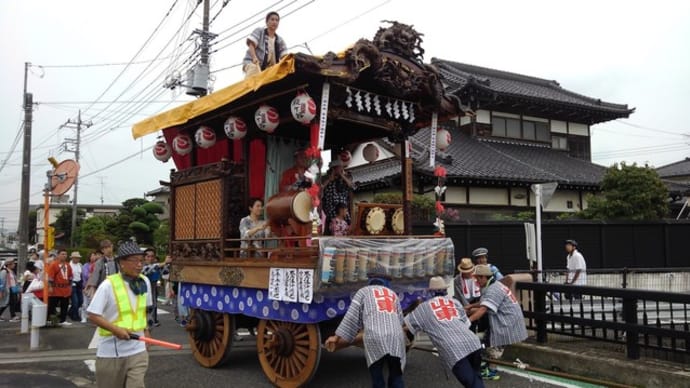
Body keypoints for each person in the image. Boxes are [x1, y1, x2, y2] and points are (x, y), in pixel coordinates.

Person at [325, 266, 406, 388]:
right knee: (396, 376)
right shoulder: (393, 295)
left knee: (377, 378)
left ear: (371, 279)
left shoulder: (363, 292)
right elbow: (400, 321)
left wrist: (336, 338)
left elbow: (350, 318)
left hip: (374, 337)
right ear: (387, 281)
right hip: (396, 338)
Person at [87, 240, 152, 388]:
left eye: (142, 260)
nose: (140, 265)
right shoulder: (108, 285)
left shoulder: (145, 281)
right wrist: (116, 330)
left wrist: (146, 331)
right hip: (111, 353)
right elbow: (92, 314)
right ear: (121, 262)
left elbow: (144, 311)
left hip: (138, 349)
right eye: (135, 260)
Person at [405, 277, 484, 388]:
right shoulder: (454, 302)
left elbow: (407, 326)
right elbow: (466, 324)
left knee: (472, 383)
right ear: (445, 290)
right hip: (473, 342)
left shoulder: (423, 308)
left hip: (454, 349)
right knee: (476, 378)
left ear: (429, 291)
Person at [468, 265, 528, 381]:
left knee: (491, 344)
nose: (476, 281)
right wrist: (470, 306)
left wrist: (467, 320)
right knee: (487, 341)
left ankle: (492, 371)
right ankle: (489, 365)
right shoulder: (495, 285)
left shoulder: (493, 289)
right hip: (508, 319)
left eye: (477, 279)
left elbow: (483, 309)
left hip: (506, 322)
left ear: (483, 277)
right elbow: (483, 302)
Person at [242, 11, 288, 77]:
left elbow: (284, 56)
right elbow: (251, 44)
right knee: (254, 70)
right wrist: (254, 58)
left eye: (277, 20)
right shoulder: (260, 31)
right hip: (252, 63)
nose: (274, 22)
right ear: (267, 22)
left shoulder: (280, 40)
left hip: (268, 69)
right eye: (272, 19)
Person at [322, 159, 355, 234]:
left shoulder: (346, 176)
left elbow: (351, 186)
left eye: (341, 167)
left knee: (346, 227)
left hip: (343, 208)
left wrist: (342, 175)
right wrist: (329, 180)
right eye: (338, 168)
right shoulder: (325, 178)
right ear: (333, 169)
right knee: (331, 228)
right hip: (330, 208)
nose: (340, 169)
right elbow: (320, 188)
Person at [142, 249, 172, 327]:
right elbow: (149, 269)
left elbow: (165, 271)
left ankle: (153, 320)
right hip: (142, 291)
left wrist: (169, 263)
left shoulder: (156, 266)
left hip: (153, 288)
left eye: (152, 256)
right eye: (148, 256)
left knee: (153, 304)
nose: (150, 258)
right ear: (144, 257)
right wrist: (164, 262)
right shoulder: (141, 266)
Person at [47, 249, 73, 326]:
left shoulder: (68, 265)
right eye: (62, 254)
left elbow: (70, 276)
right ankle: (49, 320)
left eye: (65, 254)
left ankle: (63, 320)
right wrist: (50, 286)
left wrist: (70, 286)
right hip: (56, 288)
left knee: (64, 305)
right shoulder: (54, 264)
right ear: (58, 255)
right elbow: (50, 277)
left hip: (65, 289)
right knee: (52, 305)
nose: (64, 255)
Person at [68, 251, 84, 322]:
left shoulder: (80, 265)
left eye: (78, 258)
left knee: (81, 300)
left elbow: (81, 274)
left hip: (79, 282)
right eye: (76, 258)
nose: (78, 259)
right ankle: (75, 315)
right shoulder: (69, 265)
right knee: (75, 301)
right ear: (73, 258)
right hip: (73, 283)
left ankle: (71, 311)